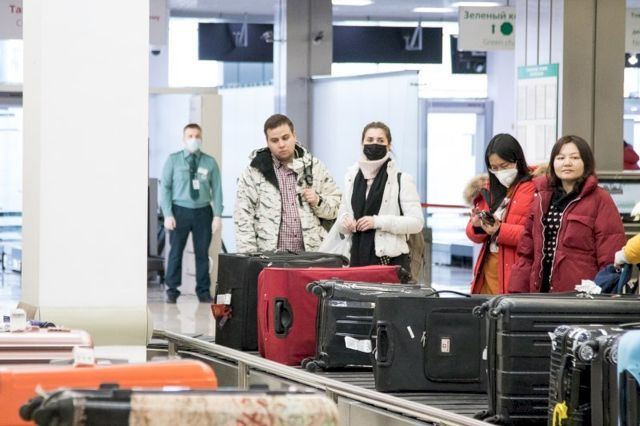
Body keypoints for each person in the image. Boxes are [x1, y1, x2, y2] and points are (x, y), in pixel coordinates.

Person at [509, 135, 626, 293]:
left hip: (580, 295)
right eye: (560, 158)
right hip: (540, 292)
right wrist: (516, 292)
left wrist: (600, 293)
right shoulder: (542, 198)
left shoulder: (600, 199)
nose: (567, 163)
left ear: (586, 163)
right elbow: (527, 252)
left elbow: (611, 257)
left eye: (575, 157)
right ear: (553, 163)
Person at [234, 114, 341, 253]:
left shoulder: (315, 167)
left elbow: (337, 208)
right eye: (274, 140)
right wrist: (250, 259)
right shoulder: (254, 173)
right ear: (267, 142)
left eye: (285, 138)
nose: (281, 144)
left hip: (312, 256)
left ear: (294, 135)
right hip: (269, 258)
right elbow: (243, 218)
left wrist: (317, 201)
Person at [336, 121, 423, 276]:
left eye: (380, 140)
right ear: (362, 143)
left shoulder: (402, 179)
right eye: (370, 140)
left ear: (389, 145)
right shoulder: (351, 178)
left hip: (390, 262)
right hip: (355, 260)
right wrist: (346, 221)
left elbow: (417, 223)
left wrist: (377, 221)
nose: (374, 144)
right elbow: (342, 219)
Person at [465, 134, 536, 294]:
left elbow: (534, 235)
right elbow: (473, 234)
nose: (499, 172)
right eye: (494, 168)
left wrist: (500, 230)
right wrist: (478, 226)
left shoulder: (534, 188)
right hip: (488, 272)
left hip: (516, 274)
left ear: (517, 160)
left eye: (504, 166)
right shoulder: (489, 189)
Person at [160, 123, 223, 304]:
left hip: (203, 212)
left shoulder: (209, 162)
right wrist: (168, 214)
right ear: (184, 138)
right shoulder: (173, 160)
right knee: (175, 253)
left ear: (201, 138)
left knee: (202, 254)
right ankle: (172, 290)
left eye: (197, 136)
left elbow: (217, 190)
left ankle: (203, 291)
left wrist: (217, 215)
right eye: (190, 136)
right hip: (179, 211)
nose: (194, 139)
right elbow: (165, 188)